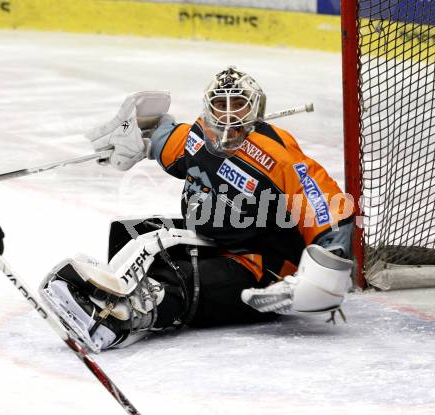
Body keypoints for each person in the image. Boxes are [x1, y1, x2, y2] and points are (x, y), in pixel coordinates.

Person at [40, 66, 355, 352]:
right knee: (130, 233)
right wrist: (134, 138)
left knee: (183, 279)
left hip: (261, 262)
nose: (229, 114)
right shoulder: (197, 137)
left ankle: (122, 318)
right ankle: (122, 290)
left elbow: (329, 206)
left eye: (239, 103)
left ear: (256, 108)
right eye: (221, 104)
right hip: (214, 238)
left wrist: (323, 275)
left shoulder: (278, 156)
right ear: (209, 106)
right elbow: (161, 135)